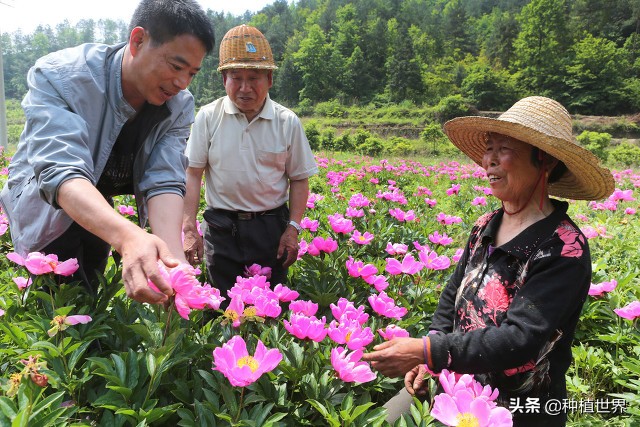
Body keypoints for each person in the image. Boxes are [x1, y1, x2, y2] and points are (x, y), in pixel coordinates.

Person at [362, 96, 615, 426]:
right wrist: (432, 354)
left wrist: (427, 351)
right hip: (457, 386)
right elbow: (453, 294)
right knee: (384, 418)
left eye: (503, 150)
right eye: (488, 148)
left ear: (546, 160)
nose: (489, 161)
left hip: (520, 408)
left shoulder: (564, 249)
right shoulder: (485, 225)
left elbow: (519, 340)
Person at [0, 0, 215, 305]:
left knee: (93, 293)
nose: (181, 83)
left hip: (99, 204)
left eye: (192, 73)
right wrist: (128, 236)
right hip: (48, 204)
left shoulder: (178, 105)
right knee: (58, 306)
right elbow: (60, 172)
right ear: (138, 40)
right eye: (176, 66)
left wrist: (174, 263)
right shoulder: (60, 76)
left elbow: (165, 180)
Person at [182, 24, 318, 303]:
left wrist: (292, 228)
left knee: (269, 308)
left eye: (254, 78)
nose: (245, 88)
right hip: (221, 228)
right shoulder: (208, 117)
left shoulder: (286, 121)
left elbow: (300, 178)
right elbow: (193, 173)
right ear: (223, 80)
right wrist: (188, 228)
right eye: (236, 77)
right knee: (221, 306)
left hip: (270, 228)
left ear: (269, 79)